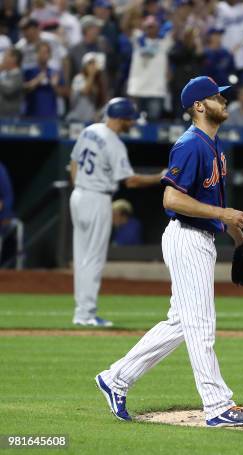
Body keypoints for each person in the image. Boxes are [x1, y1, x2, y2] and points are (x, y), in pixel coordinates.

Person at [95, 76, 243, 427]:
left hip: (200, 238)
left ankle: (116, 378)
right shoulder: (191, 144)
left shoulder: (214, 147)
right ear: (199, 106)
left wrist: (238, 239)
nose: (225, 101)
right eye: (218, 97)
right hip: (186, 237)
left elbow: (212, 203)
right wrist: (223, 215)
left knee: (181, 323)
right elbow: (171, 198)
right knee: (201, 323)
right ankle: (218, 406)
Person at [69, 98, 164, 327]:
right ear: (121, 118)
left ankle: (81, 312)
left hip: (79, 195)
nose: (132, 123)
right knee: (92, 259)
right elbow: (130, 182)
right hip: (96, 198)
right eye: (131, 119)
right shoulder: (114, 143)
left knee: (82, 257)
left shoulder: (90, 130)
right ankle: (86, 314)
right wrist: (160, 177)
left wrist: (80, 186)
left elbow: (73, 162)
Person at [126, 15, 173, 120]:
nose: (150, 28)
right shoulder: (137, 38)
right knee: (132, 122)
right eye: (148, 26)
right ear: (144, 27)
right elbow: (126, 26)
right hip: (137, 89)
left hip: (156, 90)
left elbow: (176, 31)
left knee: (153, 123)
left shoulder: (164, 41)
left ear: (158, 27)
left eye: (153, 26)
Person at [23, 41, 67, 118]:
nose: (43, 55)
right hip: (31, 115)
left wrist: (54, 86)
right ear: (36, 54)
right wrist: (36, 81)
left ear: (50, 55)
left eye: (45, 52)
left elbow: (64, 94)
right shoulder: (28, 71)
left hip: (51, 115)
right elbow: (22, 90)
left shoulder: (55, 73)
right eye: (40, 52)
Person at [66, 52, 107, 122]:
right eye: (90, 63)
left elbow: (101, 101)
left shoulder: (98, 81)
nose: (93, 66)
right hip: (76, 119)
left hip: (90, 119)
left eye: (94, 63)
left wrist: (98, 113)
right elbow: (86, 91)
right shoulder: (78, 78)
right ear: (84, 66)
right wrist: (92, 75)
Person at [0, 47, 23, 117]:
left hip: (10, 117)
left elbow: (9, 90)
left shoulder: (18, 75)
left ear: (14, 59)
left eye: (6, 56)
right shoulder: (4, 75)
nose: (3, 59)